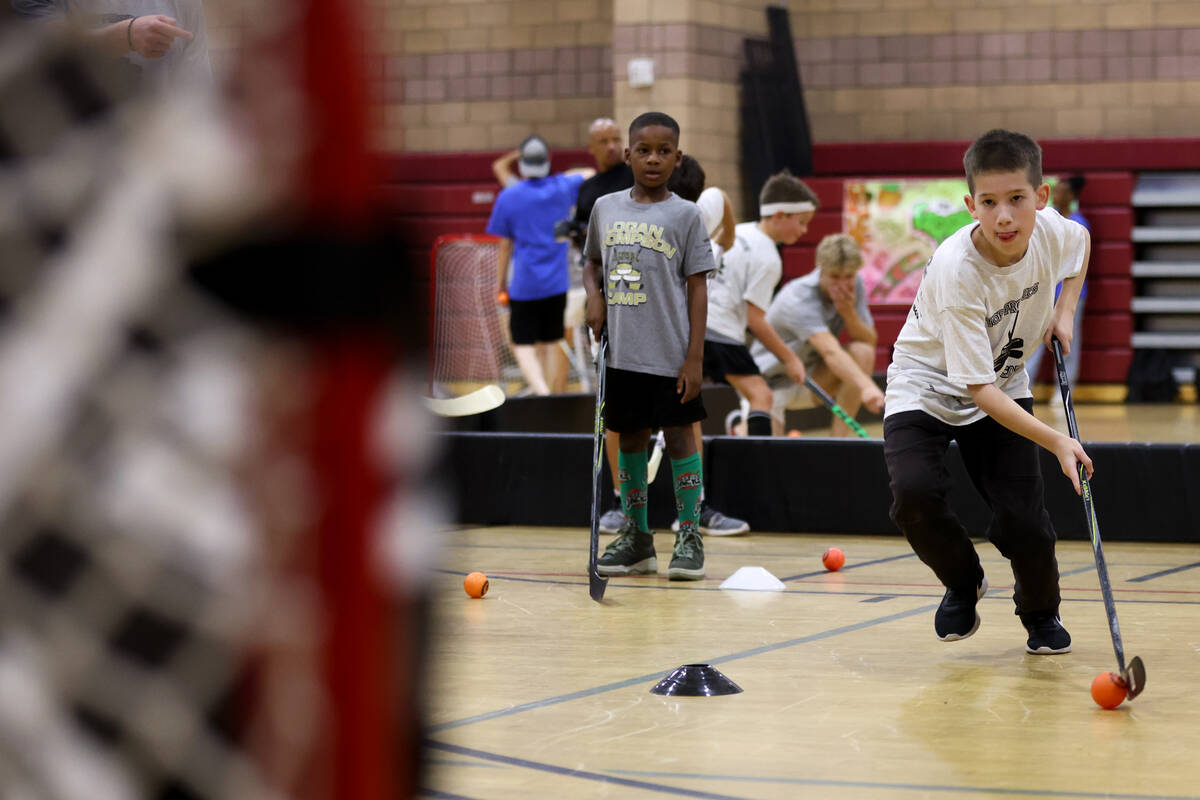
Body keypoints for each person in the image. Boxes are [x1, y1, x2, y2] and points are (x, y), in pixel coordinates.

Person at [883, 129, 1093, 656]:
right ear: (969, 204)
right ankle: (962, 579)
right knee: (913, 495)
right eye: (990, 202)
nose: (1004, 216)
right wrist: (1059, 441)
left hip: (1002, 379)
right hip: (926, 384)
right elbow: (977, 391)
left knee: (1025, 517)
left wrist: (1063, 313)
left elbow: (1080, 248)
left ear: (1041, 199)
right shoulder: (959, 272)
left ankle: (1041, 614)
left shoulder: (1054, 232)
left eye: (1017, 199)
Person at [583, 111, 714, 580]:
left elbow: (699, 287)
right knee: (632, 439)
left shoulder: (686, 214)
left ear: (677, 159)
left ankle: (690, 535)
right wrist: (593, 297)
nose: (653, 159)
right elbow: (591, 262)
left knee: (679, 437)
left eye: (664, 151)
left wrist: (695, 356)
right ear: (628, 155)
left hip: (672, 354)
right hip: (622, 355)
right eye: (644, 150)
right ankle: (638, 538)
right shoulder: (606, 207)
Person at [596, 154, 747, 537]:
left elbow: (721, 204)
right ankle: (621, 505)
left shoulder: (692, 216)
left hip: (677, 342)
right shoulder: (617, 211)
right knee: (622, 427)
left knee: (685, 425)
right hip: (626, 338)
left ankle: (693, 514)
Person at [704, 170, 817, 437]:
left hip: (691, 325)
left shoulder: (736, 230)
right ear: (780, 215)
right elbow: (755, 320)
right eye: (801, 222)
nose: (804, 230)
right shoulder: (769, 258)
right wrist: (790, 359)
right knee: (761, 397)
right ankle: (757, 465)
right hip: (721, 331)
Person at [749, 233, 884, 435]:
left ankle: (838, 445)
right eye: (834, 277)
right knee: (768, 456)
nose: (842, 284)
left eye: (848, 276)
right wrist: (866, 387)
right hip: (769, 383)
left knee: (863, 351)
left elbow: (869, 340)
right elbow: (829, 351)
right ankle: (738, 424)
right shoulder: (799, 297)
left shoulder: (854, 284)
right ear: (821, 271)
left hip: (809, 380)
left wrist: (848, 312)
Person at [486, 135, 587, 394]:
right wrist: (562, 175)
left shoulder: (509, 196)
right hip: (556, 284)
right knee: (552, 340)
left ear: (522, 163)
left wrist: (499, 284)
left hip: (524, 285)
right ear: (547, 160)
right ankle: (552, 394)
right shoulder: (563, 187)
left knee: (522, 343)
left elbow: (505, 245)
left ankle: (541, 390)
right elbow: (589, 173)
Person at [14, 0, 211, 88]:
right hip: (71, 152)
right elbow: (47, 51)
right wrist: (126, 36)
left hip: (156, 149)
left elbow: (196, 91)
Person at [1023, 175, 1089, 391]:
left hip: (1069, 297)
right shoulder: (1045, 223)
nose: (1056, 195)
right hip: (1043, 293)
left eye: (1061, 191)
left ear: (1072, 196)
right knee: (1032, 344)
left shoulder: (1078, 224)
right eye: (1055, 190)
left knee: (1067, 344)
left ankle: (1065, 392)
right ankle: (1023, 388)